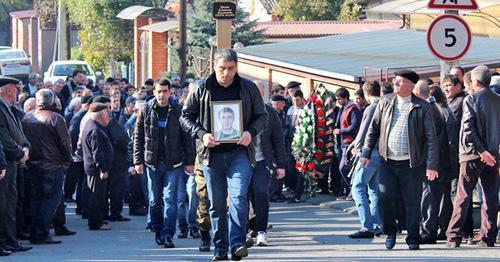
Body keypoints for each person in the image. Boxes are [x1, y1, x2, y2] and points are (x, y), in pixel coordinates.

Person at [180, 48, 268, 261]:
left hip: (240, 153)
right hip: (212, 155)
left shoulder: (247, 88)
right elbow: (185, 117)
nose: (226, 73)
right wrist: (202, 135)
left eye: (230, 68)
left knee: (238, 197)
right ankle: (220, 247)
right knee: (217, 203)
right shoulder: (202, 89)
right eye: (222, 68)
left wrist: (250, 132)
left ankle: (237, 243)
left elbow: (262, 117)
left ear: (236, 67)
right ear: (214, 67)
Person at [360, 69, 439, 251]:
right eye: (395, 80)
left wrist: (431, 165)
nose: (395, 83)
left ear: (410, 85)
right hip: (387, 161)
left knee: (412, 201)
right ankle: (390, 231)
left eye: (400, 81)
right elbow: (373, 129)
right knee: (384, 198)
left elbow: (431, 138)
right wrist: (365, 153)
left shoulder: (422, 106)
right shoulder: (385, 102)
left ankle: (413, 237)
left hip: (412, 164)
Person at [134, 79, 195, 249]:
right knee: (154, 200)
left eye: (165, 91)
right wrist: (137, 161)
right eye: (159, 91)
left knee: (170, 200)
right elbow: (138, 137)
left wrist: (189, 161)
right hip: (152, 163)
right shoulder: (146, 110)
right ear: (154, 92)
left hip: (173, 164)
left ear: (170, 92)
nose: (162, 95)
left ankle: (168, 234)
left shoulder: (177, 111)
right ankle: (158, 230)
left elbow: (187, 139)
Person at [446, 66, 500, 248]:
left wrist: (481, 150)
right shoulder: (498, 100)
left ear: (475, 82)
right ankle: (488, 236)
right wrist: (490, 152)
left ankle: (453, 236)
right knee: (491, 196)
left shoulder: (471, 99)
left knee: (463, 195)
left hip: (472, 154)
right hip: (493, 155)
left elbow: (468, 128)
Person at [22, 89, 72, 244]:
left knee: (37, 199)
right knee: (50, 200)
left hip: (33, 164)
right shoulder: (56, 118)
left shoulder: (28, 117)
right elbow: (65, 144)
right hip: (52, 164)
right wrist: (66, 161)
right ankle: (41, 233)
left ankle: (35, 232)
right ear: (52, 101)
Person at [248, 81, 286, 246]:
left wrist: (281, 165)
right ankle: (245, 230)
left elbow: (278, 140)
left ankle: (261, 231)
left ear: (263, 94)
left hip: (262, 161)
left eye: (259, 92)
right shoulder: (241, 111)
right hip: (242, 160)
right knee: (242, 196)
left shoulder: (270, 113)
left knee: (261, 193)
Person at [413, 80, 449, 244]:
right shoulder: (436, 108)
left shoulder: (429, 110)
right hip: (435, 161)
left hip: (431, 162)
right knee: (430, 197)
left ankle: (427, 232)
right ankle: (428, 230)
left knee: (428, 197)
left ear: (418, 93)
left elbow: (430, 140)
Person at [0, 76, 32, 253]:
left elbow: (20, 134)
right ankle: (4, 241)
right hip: (6, 163)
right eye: (15, 89)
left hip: (14, 163)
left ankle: (11, 241)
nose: (18, 92)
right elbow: (4, 139)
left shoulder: (10, 108)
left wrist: (26, 148)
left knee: (12, 204)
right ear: (9, 91)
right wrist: (20, 153)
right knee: (4, 205)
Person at [346, 81, 382, 239]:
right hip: (381, 152)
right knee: (374, 190)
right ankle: (377, 224)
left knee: (358, 187)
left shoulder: (371, 107)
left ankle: (366, 226)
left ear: (366, 93)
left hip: (369, 152)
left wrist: (356, 147)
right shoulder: (384, 105)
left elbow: (365, 130)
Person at [81, 102, 113, 231]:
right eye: (106, 114)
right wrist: (103, 169)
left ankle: (97, 221)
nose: (108, 117)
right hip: (96, 169)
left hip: (93, 168)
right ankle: (95, 223)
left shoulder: (92, 126)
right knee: (96, 197)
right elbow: (97, 153)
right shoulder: (95, 129)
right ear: (100, 115)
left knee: (96, 195)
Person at [333, 87, 362, 198]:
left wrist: (339, 131)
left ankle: (353, 190)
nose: (338, 102)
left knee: (344, 168)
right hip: (342, 143)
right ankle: (348, 191)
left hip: (349, 143)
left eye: (339, 99)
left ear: (345, 98)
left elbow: (354, 127)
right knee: (343, 168)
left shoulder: (353, 109)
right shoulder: (343, 108)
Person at [285, 89, 306, 203]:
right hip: (291, 142)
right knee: (291, 168)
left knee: (300, 169)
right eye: (293, 100)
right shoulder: (291, 109)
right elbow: (287, 125)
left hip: (302, 143)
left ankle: (298, 193)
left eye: (297, 100)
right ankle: (293, 190)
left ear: (302, 98)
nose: (296, 103)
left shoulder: (306, 109)